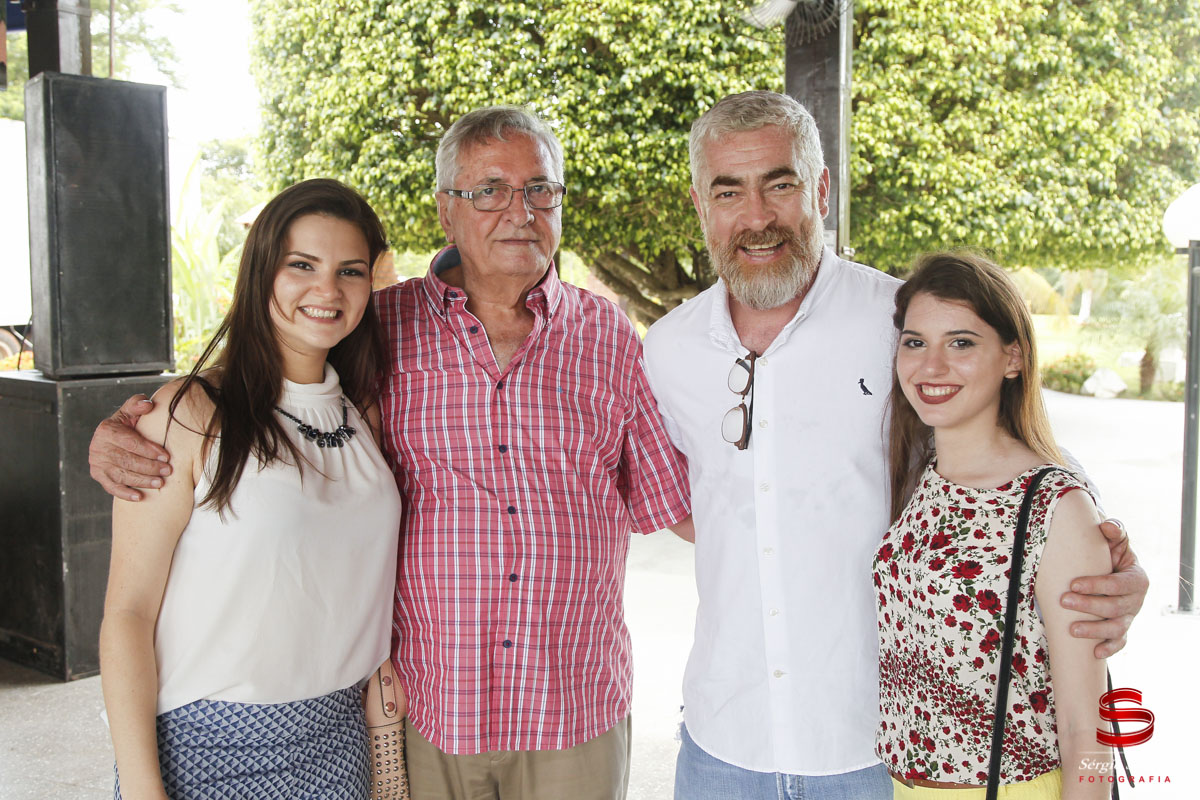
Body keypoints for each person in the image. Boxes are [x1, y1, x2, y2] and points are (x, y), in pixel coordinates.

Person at [90, 107, 691, 800]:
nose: (519, 211)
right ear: (446, 210)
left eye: (540, 189)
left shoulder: (607, 336)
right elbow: (268, 374)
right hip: (427, 712)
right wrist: (125, 428)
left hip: (560, 705)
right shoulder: (389, 327)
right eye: (489, 189)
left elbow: (674, 502)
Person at [641, 91, 1146, 800]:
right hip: (724, 743)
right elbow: (689, 501)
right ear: (701, 205)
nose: (756, 218)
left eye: (779, 184)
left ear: (820, 189)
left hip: (882, 750)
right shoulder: (667, 352)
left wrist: (1109, 560)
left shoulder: (903, 322)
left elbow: (1028, 466)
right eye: (729, 192)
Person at [98, 179, 402, 799]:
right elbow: (127, 615)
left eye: (350, 270)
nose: (327, 290)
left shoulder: (364, 411)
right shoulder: (188, 415)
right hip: (207, 747)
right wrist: (141, 787)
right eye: (302, 265)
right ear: (262, 271)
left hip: (340, 743)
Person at [876, 251, 1110, 798]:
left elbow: (1088, 730)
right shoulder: (922, 478)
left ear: (1013, 358)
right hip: (904, 788)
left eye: (961, 342)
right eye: (915, 342)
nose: (931, 367)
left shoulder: (1055, 505)